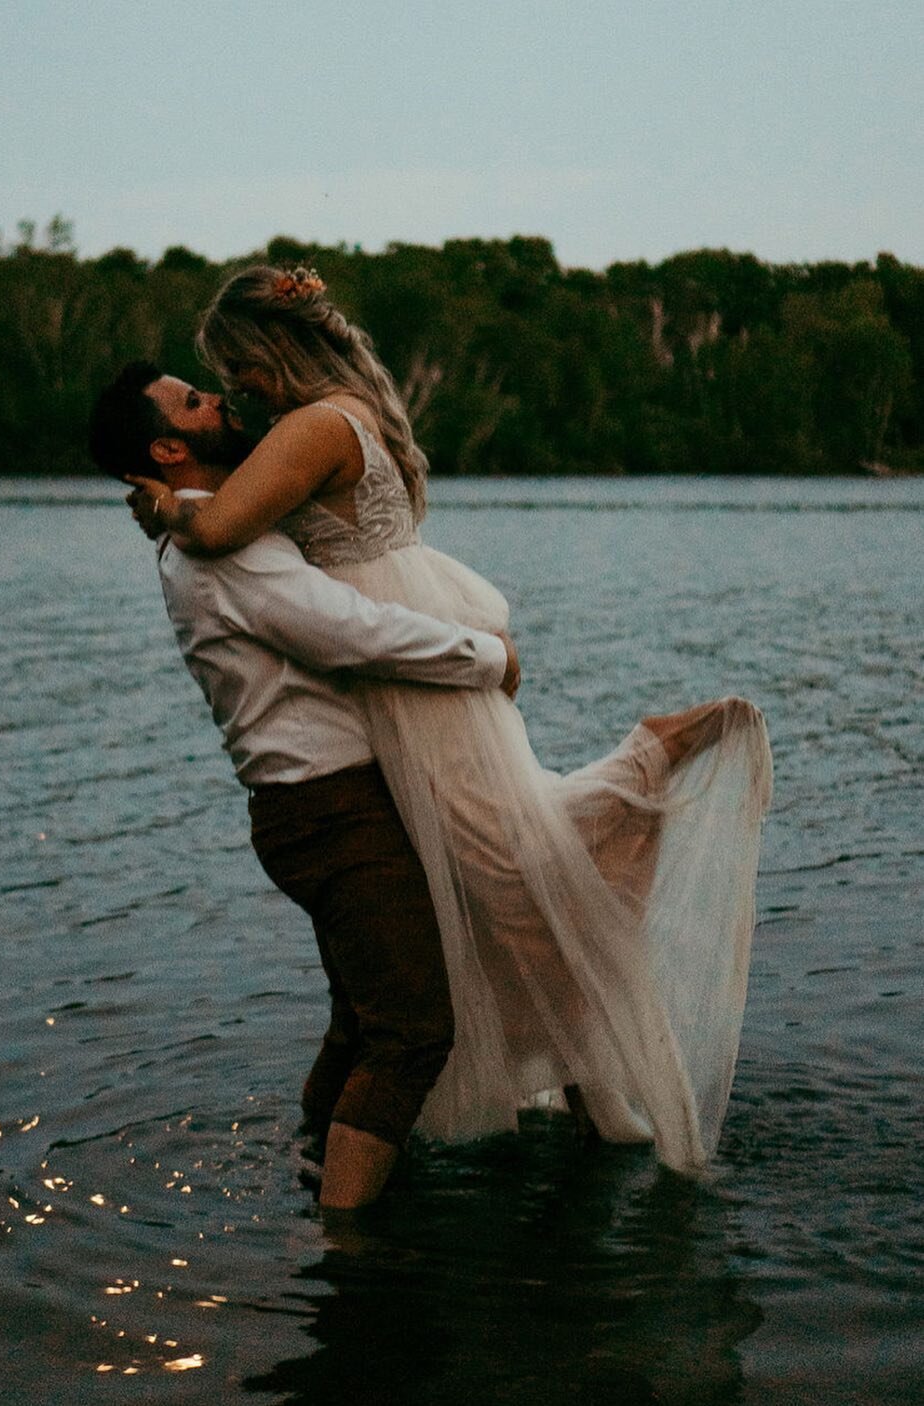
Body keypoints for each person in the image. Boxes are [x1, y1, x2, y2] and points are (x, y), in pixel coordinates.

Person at [124, 267, 774, 1175]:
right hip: (402, 653)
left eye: (234, 371)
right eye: (211, 388)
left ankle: (644, 763)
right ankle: (584, 1084)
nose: (235, 392)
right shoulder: (338, 410)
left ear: (270, 352)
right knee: (489, 880)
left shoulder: (310, 428)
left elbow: (223, 525)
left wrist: (167, 509)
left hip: (404, 667)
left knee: (502, 868)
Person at [89, 361, 520, 1209]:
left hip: (316, 809)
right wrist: (488, 658)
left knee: (362, 1022)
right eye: (193, 400)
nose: (217, 398)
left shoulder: (217, 527)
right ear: (171, 444)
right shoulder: (226, 549)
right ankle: (344, 1242)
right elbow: (344, 633)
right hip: (331, 815)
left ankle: (315, 1180)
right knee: (411, 1033)